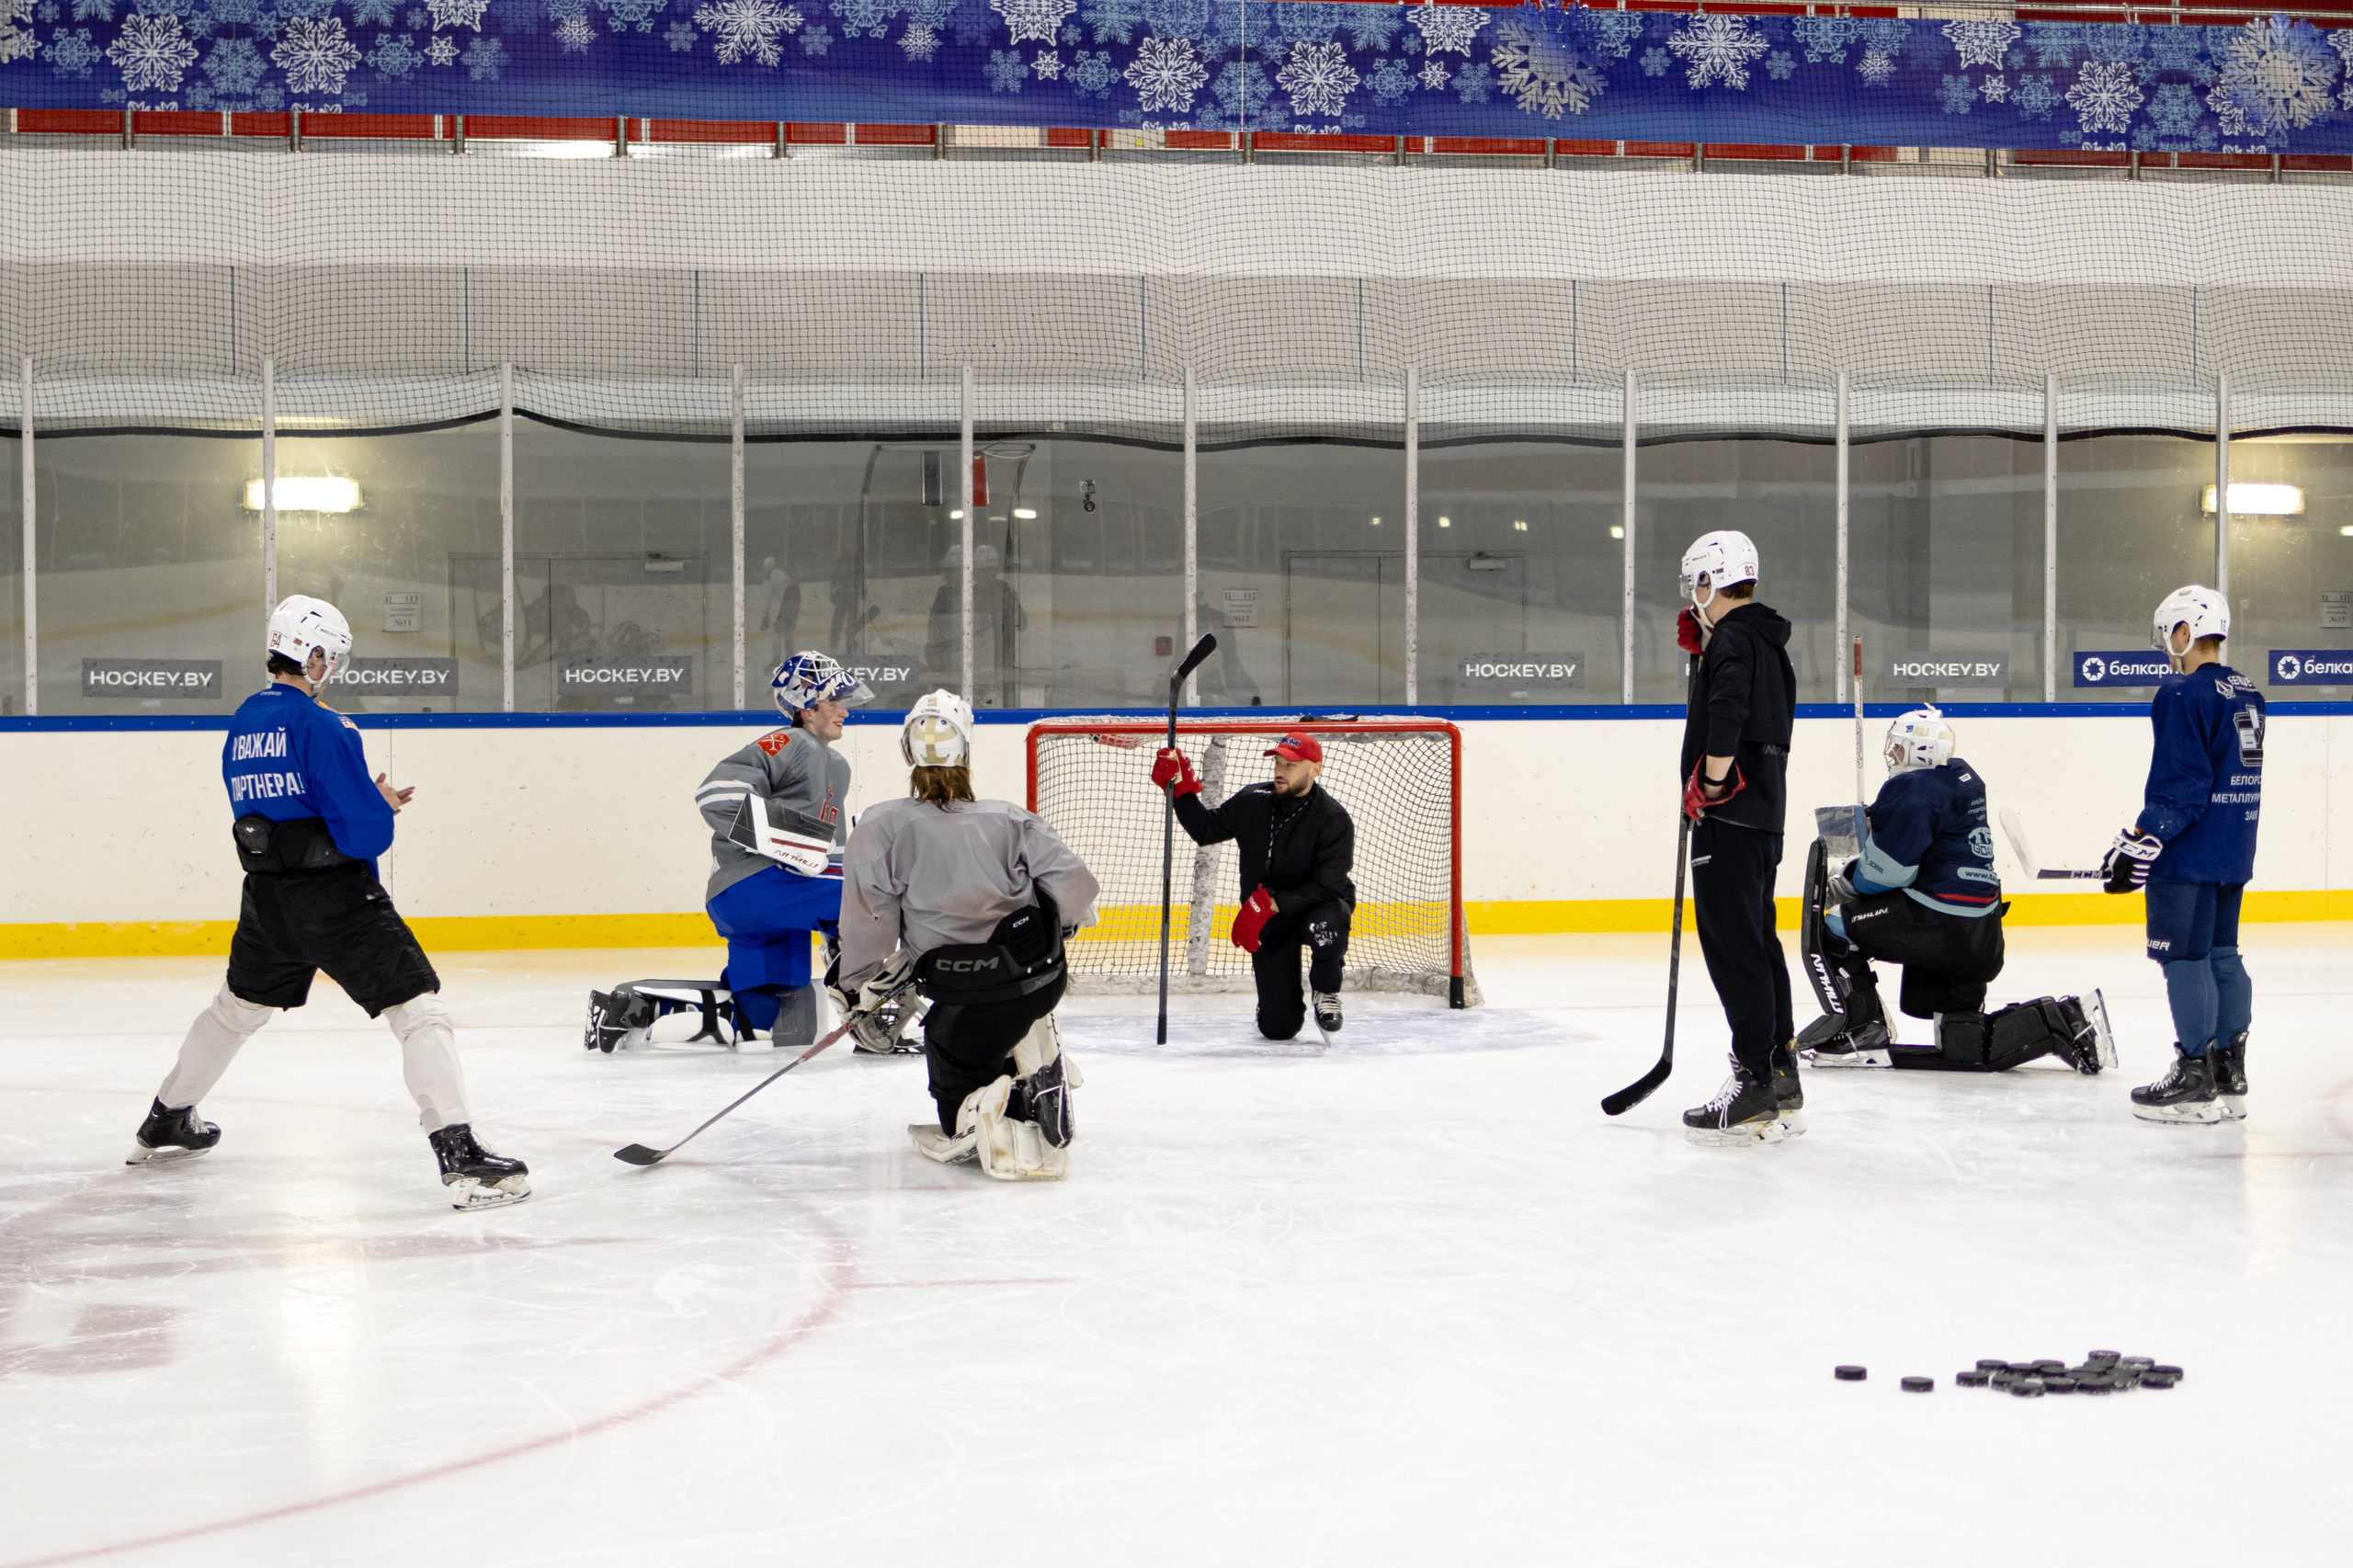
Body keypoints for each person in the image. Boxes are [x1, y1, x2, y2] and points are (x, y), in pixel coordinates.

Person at [128, 596, 529, 1210]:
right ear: (311, 656)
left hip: (267, 899)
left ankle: (166, 1119)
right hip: (336, 899)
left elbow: (280, 804)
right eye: (330, 658)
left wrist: (355, 800)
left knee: (235, 1012)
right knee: (419, 1013)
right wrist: (381, 805)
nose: (331, 669)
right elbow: (363, 833)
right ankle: (463, 1159)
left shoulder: (243, 720)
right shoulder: (326, 725)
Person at [836, 690, 1102, 1180]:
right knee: (1004, 1018)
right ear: (969, 750)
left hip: (960, 989)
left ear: (906, 753)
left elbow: (869, 922)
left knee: (951, 1051)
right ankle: (1025, 1069)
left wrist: (860, 982)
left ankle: (992, 1101)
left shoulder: (881, 825)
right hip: (1037, 978)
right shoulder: (1011, 819)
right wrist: (1059, 924)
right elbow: (1079, 891)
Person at [1796, 708, 2114, 1074]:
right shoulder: (1960, 781)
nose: (1893, 756)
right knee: (1966, 1047)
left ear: (1919, 751)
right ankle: (2064, 1020)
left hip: (1939, 921)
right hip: (1979, 933)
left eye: (1899, 748)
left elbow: (1887, 875)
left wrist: (1848, 881)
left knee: (1834, 928)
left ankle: (1861, 1030)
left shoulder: (1914, 788)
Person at [2106, 585, 2264, 1125]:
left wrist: (2144, 837)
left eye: (2168, 634)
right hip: (2233, 845)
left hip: (2188, 852)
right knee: (2223, 951)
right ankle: (2228, 1071)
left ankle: (2195, 1075)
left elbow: (2182, 784)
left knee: (2184, 957)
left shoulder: (2180, 692)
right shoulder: (2247, 691)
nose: (2167, 646)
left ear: (2184, 632)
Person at [1672, 530, 1802, 1146]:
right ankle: (1780, 1073)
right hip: (1766, 815)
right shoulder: (1767, 641)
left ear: (1708, 581)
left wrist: (1713, 781)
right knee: (1759, 940)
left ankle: (1752, 1081)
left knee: (1735, 947)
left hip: (1730, 818)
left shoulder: (1732, 639)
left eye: (1696, 585)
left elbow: (1727, 711)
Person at [687, 651, 868, 1048]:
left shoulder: (836, 764)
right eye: (833, 702)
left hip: (755, 903)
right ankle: (869, 1005)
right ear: (806, 708)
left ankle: (731, 1017)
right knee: (871, 897)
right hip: (758, 883)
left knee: (764, 1006)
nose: (844, 712)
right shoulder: (790, 740)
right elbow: (716, 794)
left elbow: (826, 847)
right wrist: (792, 843)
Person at [1151, 732, 1355, 1044]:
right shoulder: (1253, 801)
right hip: (1269, 916)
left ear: (1315, 769)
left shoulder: (1332, 818)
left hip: (1316, 902)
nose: (1280, 770)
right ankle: (1274, 1004)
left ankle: (1326, 992)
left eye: (1291, 765)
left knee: (1326, 926)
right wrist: (1179, 791)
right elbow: (1206, 829)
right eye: (1278, 761)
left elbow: (1329, 884)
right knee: (1278, 1029)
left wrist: (1274, 902)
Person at [924, 542, 1027, 706]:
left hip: (989, 662)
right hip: (952, 661)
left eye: (987, 570)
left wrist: (1006, 602)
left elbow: (1021, 623)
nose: (952, 575)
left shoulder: (1000, 590)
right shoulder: (947, 593)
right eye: (949, 570)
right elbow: (937, 630)